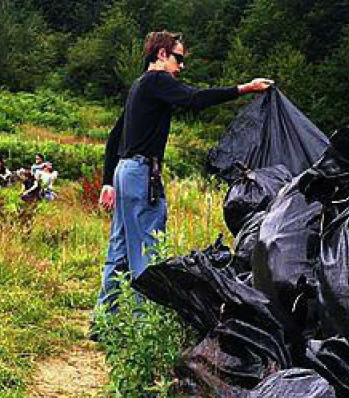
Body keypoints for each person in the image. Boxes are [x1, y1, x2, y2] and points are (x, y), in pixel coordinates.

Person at [94, 30, 272, 312]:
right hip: (141, 174)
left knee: (119, 250)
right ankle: (144, 323)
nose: (182, 65)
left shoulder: (139, 86)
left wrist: (108, 181)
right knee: (148, 249)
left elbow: (115, 136)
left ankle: (104, 319)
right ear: (162, 54)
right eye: (179, 58)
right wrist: (245, 89)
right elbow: (194, 99)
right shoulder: (156, 79)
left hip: (124, 172)